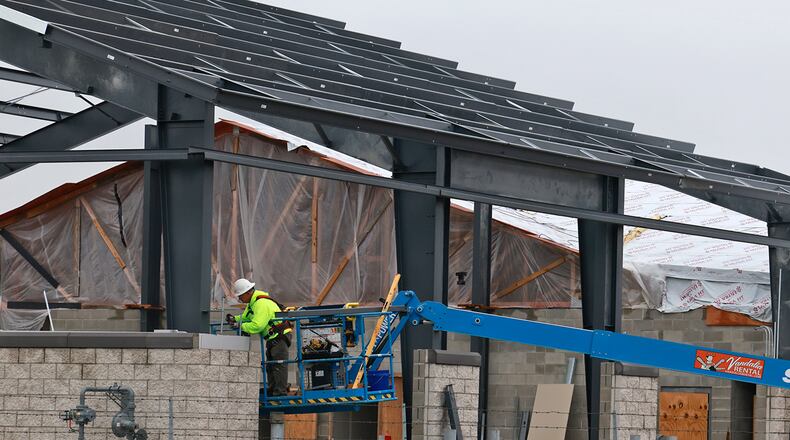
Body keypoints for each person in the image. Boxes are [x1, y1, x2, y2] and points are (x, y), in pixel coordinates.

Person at [226, 278, 292, 396]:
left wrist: (240, 326)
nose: (240, 299)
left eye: (240, 296)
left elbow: (257, 325)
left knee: (278, 364)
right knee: (271, 364)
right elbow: (247, 317)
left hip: (279, 336)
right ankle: (273, 389)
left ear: (247, 293)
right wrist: (235, 319)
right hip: (274, 337)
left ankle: (280, 392)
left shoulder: (261, 303)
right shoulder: (253, 303)